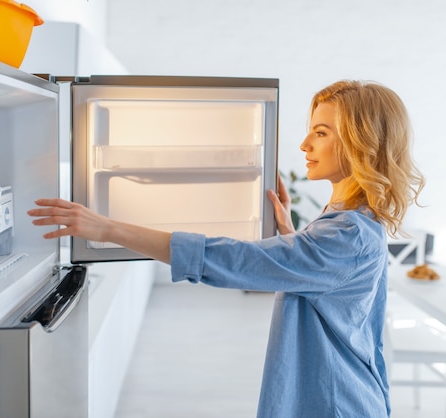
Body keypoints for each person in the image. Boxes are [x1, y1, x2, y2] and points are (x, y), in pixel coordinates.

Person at [28, 80, 424, 417]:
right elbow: (319, 277)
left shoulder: (346, 236)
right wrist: (289, 232)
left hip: (334, 404)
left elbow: (236, 259)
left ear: (362, 142)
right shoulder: (349, 222)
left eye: (321, 133)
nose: (304, 143)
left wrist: (107, 226)